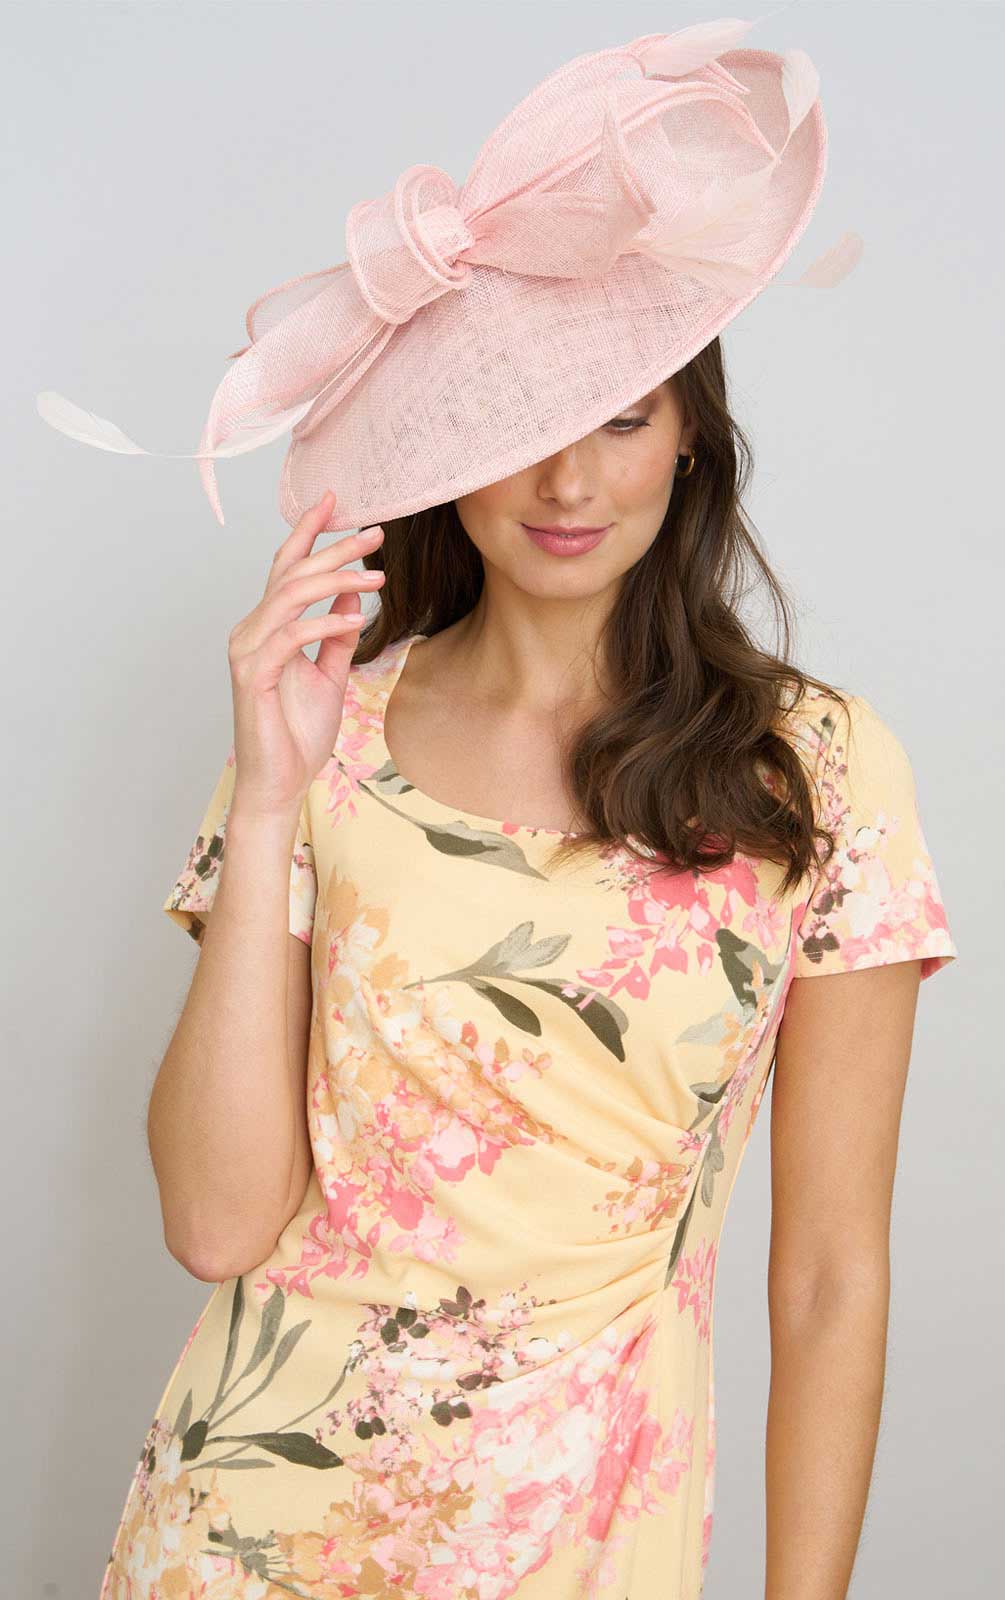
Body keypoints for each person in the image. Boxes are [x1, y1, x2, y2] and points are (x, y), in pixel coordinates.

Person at [40, 20, 957, 1598]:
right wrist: (268, 799)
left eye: (617, 413)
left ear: (690, 439)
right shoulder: (327, 738)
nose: (567, 480)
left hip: (587, 1539)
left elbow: (826, 1277)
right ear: (442, 455)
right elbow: (214, 1219)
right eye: (514, 420)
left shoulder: (810, 773)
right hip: (251, 1529)